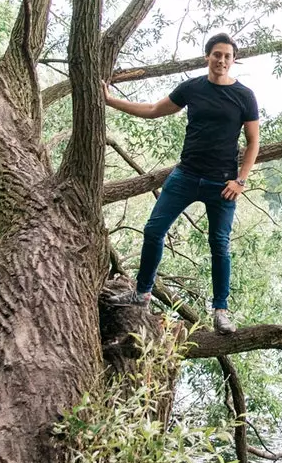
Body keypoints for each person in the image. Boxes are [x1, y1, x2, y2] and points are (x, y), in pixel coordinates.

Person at [103, 33, 259, 334]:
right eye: (217, 54)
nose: (222, 60)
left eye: (227, 56)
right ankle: (142, 293)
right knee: (153, 230)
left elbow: (253, 143)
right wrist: (110, 101)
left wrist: (241, 180)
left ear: (233, 60)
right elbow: (152, 110)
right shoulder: (192, 88)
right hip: (186, 175)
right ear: (207, 57)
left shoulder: (244, 96)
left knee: (220, 246)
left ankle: (220, 310)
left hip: (222, 184)